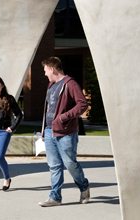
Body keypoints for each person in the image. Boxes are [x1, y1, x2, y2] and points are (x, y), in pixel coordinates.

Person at [39, 57, 90, 206]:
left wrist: (63, 118)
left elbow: (82, 104)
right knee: (54, 165)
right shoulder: (51, 85)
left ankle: (84, 186)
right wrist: (44, 131)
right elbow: (48, 109)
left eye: (45, 70)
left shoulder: (70, 84)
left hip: (66, 132)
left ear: (52, 69)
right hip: (49, 131)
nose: (45, 74)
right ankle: (55, 197)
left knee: (69, 163)